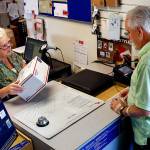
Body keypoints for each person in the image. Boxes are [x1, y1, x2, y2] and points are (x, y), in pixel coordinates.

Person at [110, 6, 150, 150]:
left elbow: (145, 109)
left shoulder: (147, 62)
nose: (129, 38)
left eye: (129, 32)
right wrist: (133, 90)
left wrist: (122, 109)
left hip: (146, 136)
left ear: (139, 31)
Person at [0, 27, 25, 99]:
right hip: (11, 103)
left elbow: (24, 65)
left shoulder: (12, 54)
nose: (9, 46)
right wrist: (6, 90)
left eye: (8, 42)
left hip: (25, 94)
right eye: (4, 45)